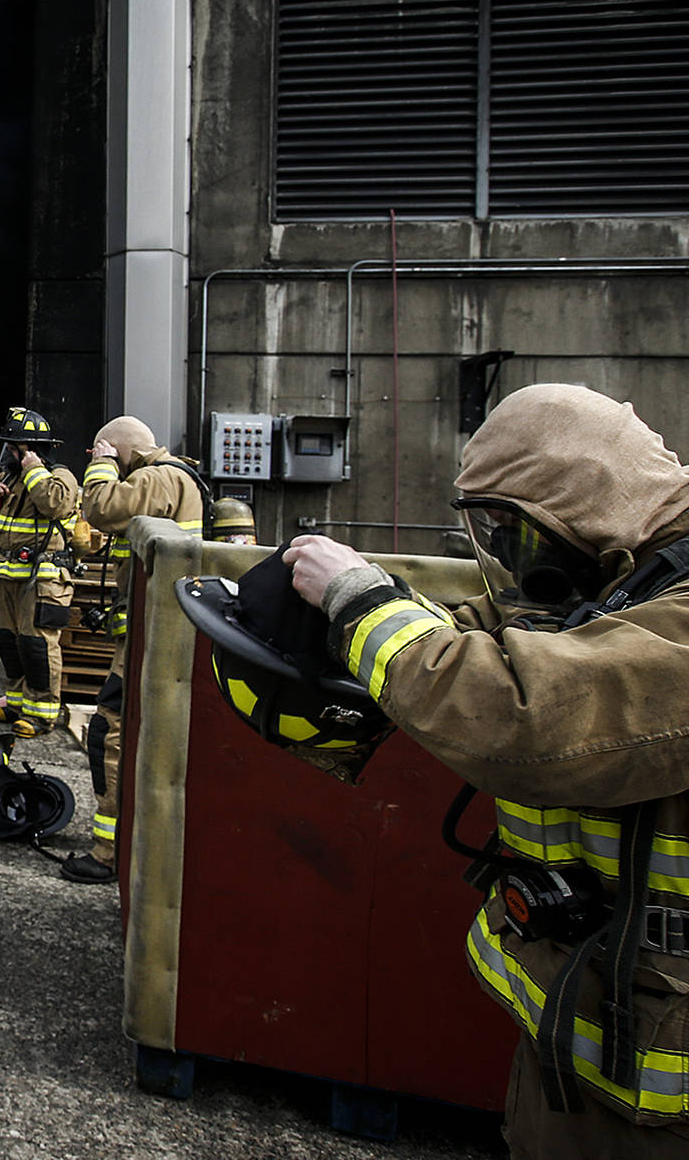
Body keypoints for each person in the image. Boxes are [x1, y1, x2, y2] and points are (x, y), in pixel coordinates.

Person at [280, 383, 689, 1159]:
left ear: (579, 511)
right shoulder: (621, 581)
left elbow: (526, 711)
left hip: (665, 1089)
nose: (505, 556)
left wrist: (358, 600)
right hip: (591, 1028)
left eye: (513, 530)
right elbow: (505, 630)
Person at [65, 415, 205, 884]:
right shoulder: (179, 478)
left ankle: (108, 853)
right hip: (157, 633)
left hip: (154, 638)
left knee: (111, 732)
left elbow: (100, 508)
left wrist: (101, 466)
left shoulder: (156, 477)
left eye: (104, 452)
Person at [0, 407, 81, 739]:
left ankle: (42, 713)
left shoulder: (59, 476)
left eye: (14, 449)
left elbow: (56, 504)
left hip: (43, 576)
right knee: (8, 642)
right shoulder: (8, 478)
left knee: (37, 645)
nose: (8, 454)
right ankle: (17, 704)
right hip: (7, 573)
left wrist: (33, 470)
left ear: (31, 450)